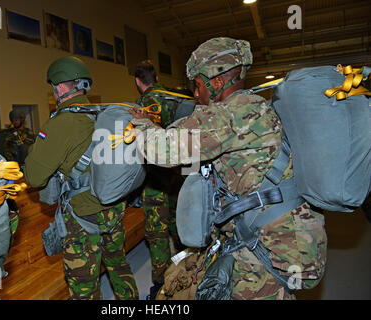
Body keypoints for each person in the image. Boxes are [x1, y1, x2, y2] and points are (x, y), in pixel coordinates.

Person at [129, 37, 327, 300]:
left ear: (217, 81)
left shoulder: (231, 114)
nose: (196, 94)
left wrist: (142, 126)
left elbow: (163, 151)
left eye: (198, 86)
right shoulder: (252, 105)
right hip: (278, 234)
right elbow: (192, 134)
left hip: (274, 245)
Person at [24, 56, 138, 300]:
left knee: (84, 287)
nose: (53, 93)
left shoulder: (61, 123)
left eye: (53, 87)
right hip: (114, 208)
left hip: (83, 217)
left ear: (61, 86)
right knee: (119, 266)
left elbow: (33, 177)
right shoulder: (103, 114)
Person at [133, 60, 183, 298]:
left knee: (157, 233)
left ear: (137, 80)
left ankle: (161, 283)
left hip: (155, 179)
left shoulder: (143, 104)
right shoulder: (173, 97)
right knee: (177, 223)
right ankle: (186, 266)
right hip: (180, 172)